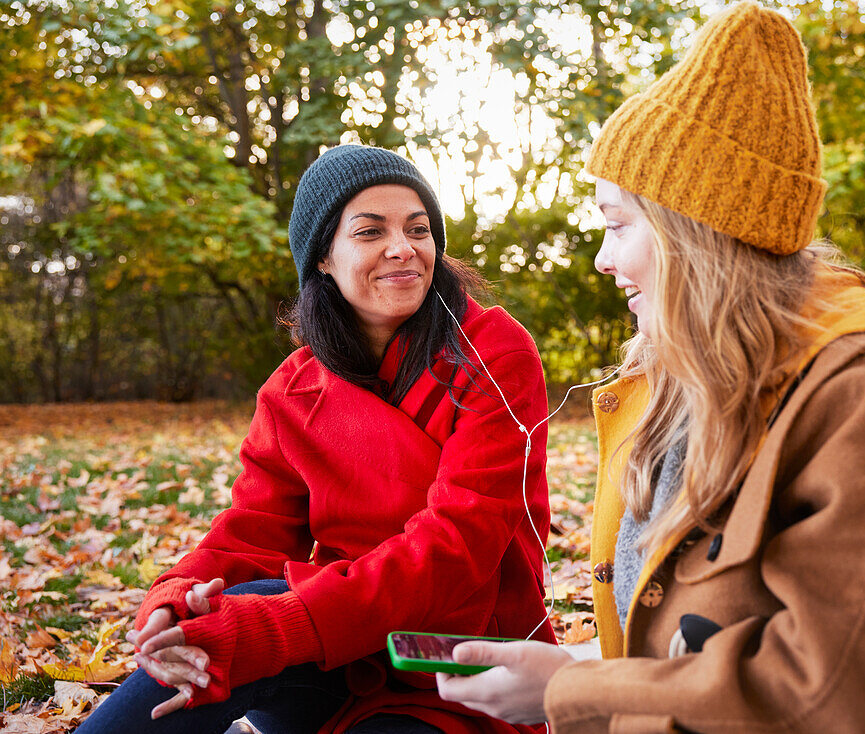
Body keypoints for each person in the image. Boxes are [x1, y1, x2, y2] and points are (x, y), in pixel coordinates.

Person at [435, 3, 865, 731]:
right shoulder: (702, 381)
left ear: (695, 236)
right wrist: (578, 666)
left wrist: (571, 697)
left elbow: (848, 695)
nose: (601, 257)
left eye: (618, 224)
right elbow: (715, 626)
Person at [77, 145, 556, 734]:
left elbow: (459, 544)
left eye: (419, 228)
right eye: (370, 231)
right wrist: (175, 597)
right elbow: (252, 529)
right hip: (335, 652)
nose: (403, 248)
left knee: (256, 614)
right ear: (323, 259)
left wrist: (280, 625)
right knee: (219, 618)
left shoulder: (493, 351)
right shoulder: (292, 389)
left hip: (459, 662)